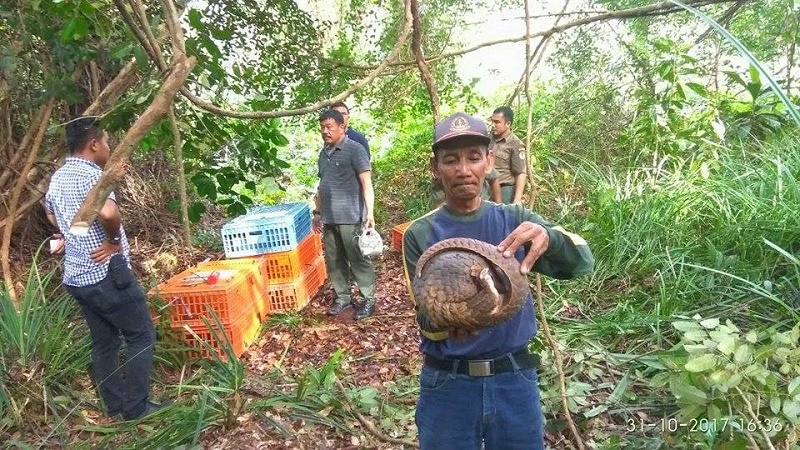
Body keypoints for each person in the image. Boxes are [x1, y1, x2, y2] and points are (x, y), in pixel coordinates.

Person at [402, 112, 594, 449]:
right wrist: (450, 320)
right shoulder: (420, 233)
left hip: (514, 379)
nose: (463, 170)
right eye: (451, 160)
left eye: (474, 157)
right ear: (436, 167)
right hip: (448, 382)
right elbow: (425, 316)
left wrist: (549, 237)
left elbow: (581, 263)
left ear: (489, 161)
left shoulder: (515, 221)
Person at [44, 116, 161, 421]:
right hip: (105, 274)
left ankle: (115, 405)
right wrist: (112, 242)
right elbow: (108, 213)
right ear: (94, 144)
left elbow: (51, 213)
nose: (108, 146)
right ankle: (136, 408)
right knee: (141, 334)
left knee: (104, 342)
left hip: (77, 277)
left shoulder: (59, 177)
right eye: (107, 141)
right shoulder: (92, 176)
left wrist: (69, 235)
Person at [313, 109, 377, 320]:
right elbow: (321, 185)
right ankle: (343, 298)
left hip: (351, 216)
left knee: (358, 259)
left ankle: (369, 299)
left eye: (329, 127)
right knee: (334, 260)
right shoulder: (323, 154)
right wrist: (317, 212)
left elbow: (366, 182)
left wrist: (370, 212)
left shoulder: (355, 149)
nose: (325, 131)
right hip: (329, 217)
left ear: (343, 127)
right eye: (322, 127)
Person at [489, 106, 526, 204]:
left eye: (497, 122)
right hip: (487, 188)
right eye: (492, 121)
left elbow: (520, 173)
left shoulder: (515, 143)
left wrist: (517, 199)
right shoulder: (488, 139)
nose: (493, 125)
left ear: (508, 124)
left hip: (504, 190)